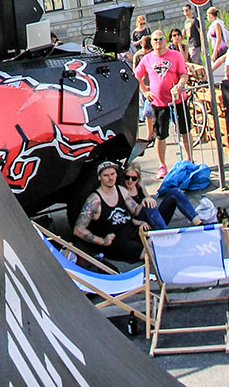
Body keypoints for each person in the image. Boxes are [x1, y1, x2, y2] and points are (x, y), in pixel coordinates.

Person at [135, 27, 190, 177]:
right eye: (155, 39)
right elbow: (137, 75)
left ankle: (189, 161)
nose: (158, 42)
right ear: (151, 43)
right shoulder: (147, 59)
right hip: (159, 103)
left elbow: (184, 74)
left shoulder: (176, 56)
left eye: (161, 39)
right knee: (160, 135)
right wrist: (145, 91)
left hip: (178, 100)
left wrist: (179, 85)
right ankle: (162, 165)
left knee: (185, 132)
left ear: (166, 41)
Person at [71, 159, 148, 262]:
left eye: (112, 174)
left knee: (156, 242)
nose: (110, 178)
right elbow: (78, 230)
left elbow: (135, 212)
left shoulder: (122, 190)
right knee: (148, 253)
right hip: (116, 241)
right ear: (99, 178)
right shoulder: (95, 200)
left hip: (131, 231)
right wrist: (102, 241)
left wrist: (145, 201)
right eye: (106, 175)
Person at [119, 162, 203, 228]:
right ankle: (165, 234)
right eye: (127, 177)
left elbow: (150, 199)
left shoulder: (139, 185)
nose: (130, 181)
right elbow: (134, 213)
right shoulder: (122, 190)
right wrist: (144, 202)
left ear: (138, 178)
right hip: (142, 223)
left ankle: (198, 222)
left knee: (175, 192)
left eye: (134, 178)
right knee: (148, 206)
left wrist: (149, 200)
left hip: (153, 218)